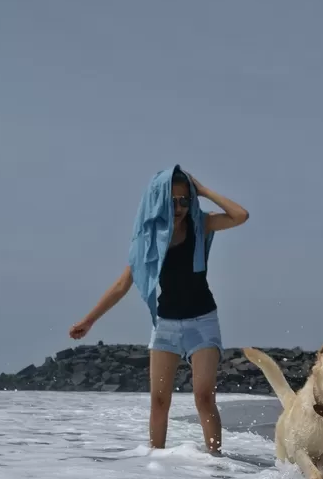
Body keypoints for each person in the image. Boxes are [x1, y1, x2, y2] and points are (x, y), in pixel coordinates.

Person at [69, 168, 248, 453]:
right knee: (159, 401)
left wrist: (203, 190)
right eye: (171, 200)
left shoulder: (201, 225)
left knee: (204, 397)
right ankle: (156, 465)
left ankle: (216, 463)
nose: (178, 207)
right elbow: (122, 285)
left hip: (202, 322)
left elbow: (241, 215)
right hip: (166, 325)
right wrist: (89, 320)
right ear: (158, 201)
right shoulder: (149, 239)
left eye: (184, 200)